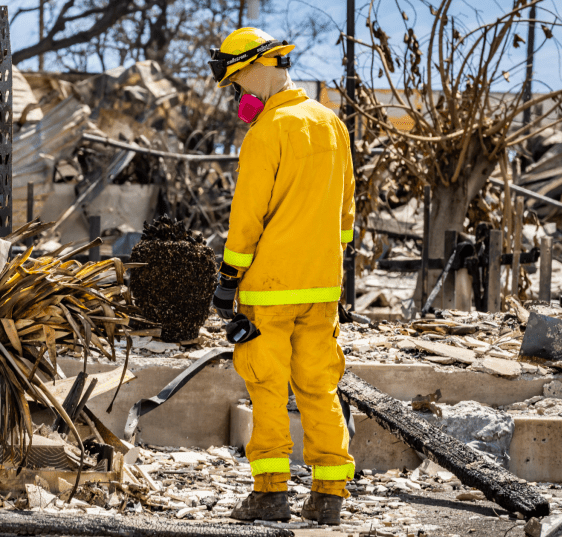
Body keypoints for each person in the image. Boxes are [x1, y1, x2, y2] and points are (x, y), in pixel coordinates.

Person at [207, 27, 356, 525]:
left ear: (257, 68)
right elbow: (346, 214)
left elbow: (247, 218)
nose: (238, 95)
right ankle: (329, 495)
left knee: (267, 387)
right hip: (323, 287)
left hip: (270, 289)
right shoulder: (332, 124)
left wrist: (229, 276)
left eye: (236, 82)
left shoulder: (266, 132)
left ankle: (270, 494)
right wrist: (333, 268)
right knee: (319, 387)